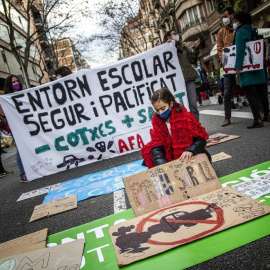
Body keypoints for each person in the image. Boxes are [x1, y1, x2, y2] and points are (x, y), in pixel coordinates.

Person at [141, 88, 211, 169]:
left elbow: (201, 139)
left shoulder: (185, 117)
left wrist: (190, 150)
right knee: (149, 151)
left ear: (171, 104)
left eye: (163, 108)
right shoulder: (156, 120)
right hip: (170, 155)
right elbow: (157, 145)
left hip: (189, 154)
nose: (160, 113)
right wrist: (163, 165)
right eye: (157, 110)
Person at [234, 11, 270, 128]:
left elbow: (240, 50)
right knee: (261, 91)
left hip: (246, 67)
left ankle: (257, 119)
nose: (235, 23)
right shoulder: (253, 30)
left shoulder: (240, 32)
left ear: (239, 21)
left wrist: (238, 66)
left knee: (250, 93)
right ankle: (267, 115)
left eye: (236, 21)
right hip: (257, 65)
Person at [163, 30, 201, 121]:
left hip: (188, 78)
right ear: (168, 37)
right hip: (176, 82)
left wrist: (196, 48)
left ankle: (196, 129)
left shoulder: (183, 47)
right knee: (180, 107)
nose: (176, 35)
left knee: (193, 105)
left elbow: (192, 60)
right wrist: (165, 45)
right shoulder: (164, 48)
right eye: (173, 34)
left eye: (176, 33)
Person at [3, 75, 28, 182]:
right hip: (15, 127)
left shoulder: (22, 94)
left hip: (25, 125)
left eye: (17, 81)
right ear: (9, 84)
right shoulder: (5, 99)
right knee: (20, 150)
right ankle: (23, 174)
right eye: (13, 82)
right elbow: (3, 113)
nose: (16, 83)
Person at [217, 6, 235, 127]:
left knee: (250, 87)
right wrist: (225, 61)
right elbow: (219, 48)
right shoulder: (221, 32)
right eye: (222, 17)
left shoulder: (238, 28)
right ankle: (227, 117)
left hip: (242, 63)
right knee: (227, 91)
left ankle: (259, 111)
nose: (224, 19)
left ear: (232, 15)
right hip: (228, 65)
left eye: (226, 16)